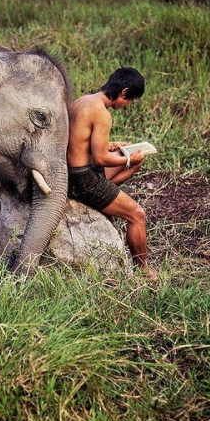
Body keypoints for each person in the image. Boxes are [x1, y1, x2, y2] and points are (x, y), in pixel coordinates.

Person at [67, 67, 156, 279]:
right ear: (123, 92)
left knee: (137, 163)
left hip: (72, 171)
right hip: (83, 179)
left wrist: (113, 146)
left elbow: (78, 142)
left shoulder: (83, 101)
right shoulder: (102, 114)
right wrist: (127, 158)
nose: (127, 107)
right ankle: (144, 271)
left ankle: (107, 200)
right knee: (137, 215)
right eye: (130, 101)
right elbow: (100, 159)